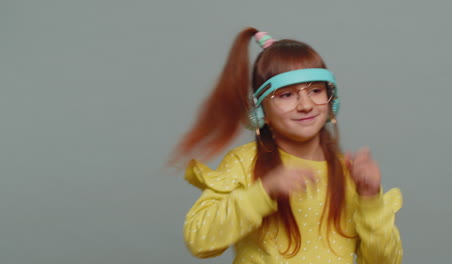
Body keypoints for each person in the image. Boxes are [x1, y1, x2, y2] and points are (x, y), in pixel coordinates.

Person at [170, 27, 403, 264]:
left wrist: (371, 199)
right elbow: (199, 240)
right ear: (261, 113)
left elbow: (384, 261)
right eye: (286, 95)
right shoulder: (244, 163)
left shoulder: (349, 172)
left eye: (315, 90)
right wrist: (264, 191)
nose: (306, 105)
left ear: (332, 101)